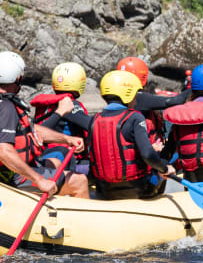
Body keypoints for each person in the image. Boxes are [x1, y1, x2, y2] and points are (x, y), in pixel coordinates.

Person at [0, 51, 90, 198]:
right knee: (80, 181)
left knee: (55, 162)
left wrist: (67, 139)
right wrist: (39, 180)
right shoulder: (5, 106)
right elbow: (4, 152)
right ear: (17, 79)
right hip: (5, 176)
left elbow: (31, 130)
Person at [60, 69, 175, 199]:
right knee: (161, 168)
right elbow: (147, 154)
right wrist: (164, 169)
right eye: (136, 93)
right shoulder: (135, 118)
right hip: (138, 190)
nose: (137, 98)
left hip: (104, 190)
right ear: (128, 94)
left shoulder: (94, 120)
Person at [114, 56, 188, 151]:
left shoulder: (120, 97)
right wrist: (197, 87)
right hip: (150, 154)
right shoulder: (139, 98)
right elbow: (175, 101)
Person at [31, 62, 90, 174]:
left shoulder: (45, 105)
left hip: (46, 154)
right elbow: (91, 124)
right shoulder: (70, 104)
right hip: (68, 158)